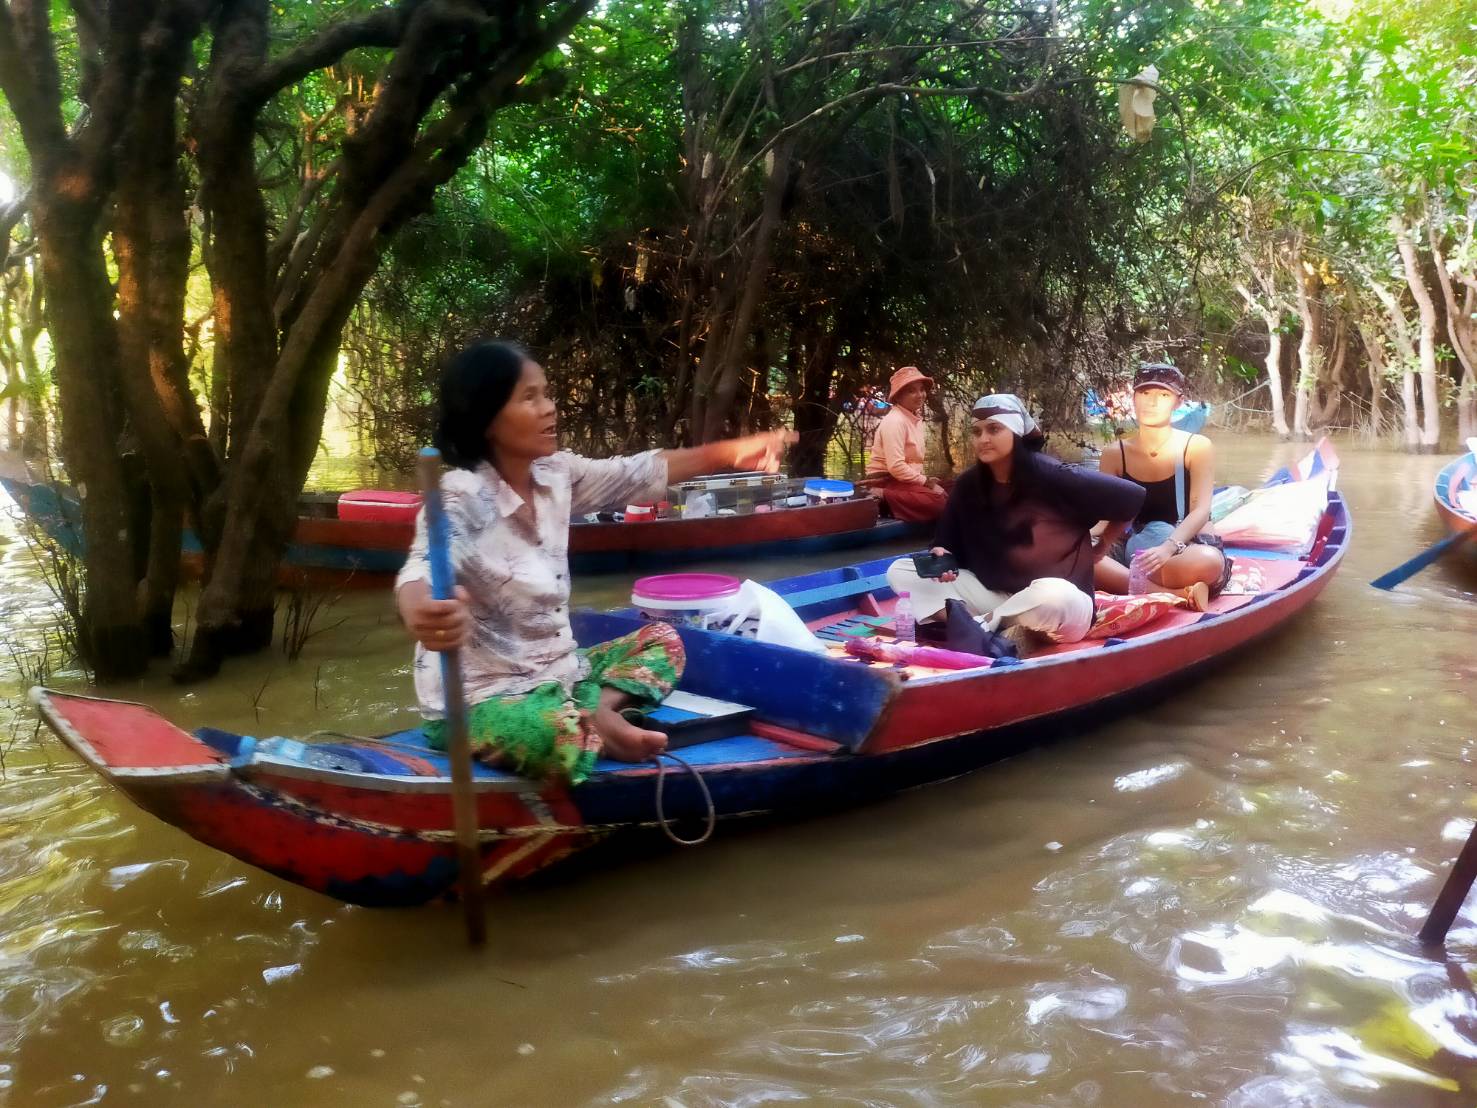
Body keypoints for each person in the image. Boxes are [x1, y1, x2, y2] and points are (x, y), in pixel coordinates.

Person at [396, 340, 794, 785]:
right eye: (530, 398)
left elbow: (640, 471)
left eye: (546, 394)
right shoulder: (459, 496)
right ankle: (587, 725)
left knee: (668, 640)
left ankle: (596, 710)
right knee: (547, 733)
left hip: (561, 674)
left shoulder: (554, 474)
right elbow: (420, 570)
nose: (549, 409)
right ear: (487, 416)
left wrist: (735, 451)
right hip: (482, 697)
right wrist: (423, 612)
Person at [885, 394, 1145, 649]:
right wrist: (941, 554)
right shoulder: (968, 485)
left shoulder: (1053, 475)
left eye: (994, 429)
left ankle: (978, 627)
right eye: (977, 432)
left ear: (1016, 433)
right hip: (995, 597)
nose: (983, 439)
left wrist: (1104, 543)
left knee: (1054, 595)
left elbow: (1133, 496)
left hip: (1056, 606)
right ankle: (987, 626)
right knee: (900, 571)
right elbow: (945, 542)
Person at [1095, 363, 1230, 601]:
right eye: (1144, 393)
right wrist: (1081, 540)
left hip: (1186, 548)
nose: (1152, 402)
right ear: (1133, 398)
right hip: (1138, 551)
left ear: (1179, 401)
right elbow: (1106, 517)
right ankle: (1174, 594)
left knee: (1208, 562)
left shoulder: (1196, 446)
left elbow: (1201, 511)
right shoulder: (1114, 454)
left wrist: (1168, 548)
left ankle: (1131, 583)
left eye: (1163, 395)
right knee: (1077, 557)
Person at [866, 366, 950, 522]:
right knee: (939, 502)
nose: (920, 395)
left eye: (922, 389)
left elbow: (911, 462)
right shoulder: (895, 421)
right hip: (887, 480)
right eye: (912, 391)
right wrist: (926, 483)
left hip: (901, 480)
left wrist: (927, 480)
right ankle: (880, 495)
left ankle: (898, 500)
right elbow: (896, 467)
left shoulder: (913, 418)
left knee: (954, 488)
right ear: (898, 396)